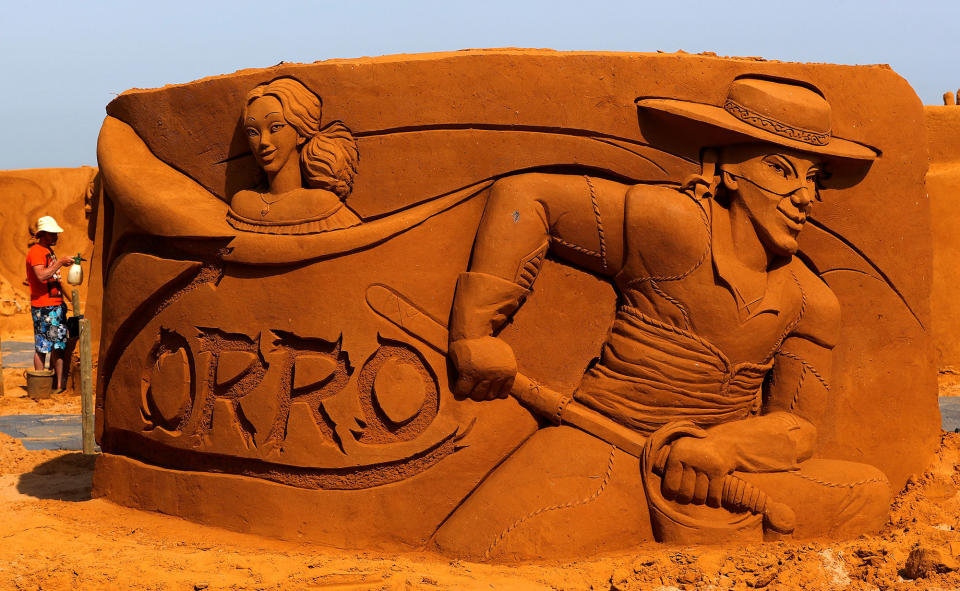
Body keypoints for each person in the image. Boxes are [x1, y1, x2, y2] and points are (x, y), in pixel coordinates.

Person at [435, 76, 891, 557]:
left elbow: (799, 427)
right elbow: (527, 197)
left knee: (867, 490)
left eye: (814, 178)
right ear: (727, 170)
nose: (804, 196)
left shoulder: (811, 300)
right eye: (781, 170)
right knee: (485, 545)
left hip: (717, 477)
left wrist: (723, 447)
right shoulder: (673, 225)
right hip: (603, 447)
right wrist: (476, 331)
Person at [227, 76, 362, 235]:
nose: (263, 142)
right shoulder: (242, 204)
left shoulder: (321, 205)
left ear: (300, 133)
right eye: (252, 132)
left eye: (276, 127)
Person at [26, 216, 73, 393]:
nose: (56, 236)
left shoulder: (47, 251)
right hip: (44, 307)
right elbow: (41, 275)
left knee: (58, 345)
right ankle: (40, 387)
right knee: (42, 346)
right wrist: (60, 262)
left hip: (54, 306)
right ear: (43, 234)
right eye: (52, 234)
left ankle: (58, 386)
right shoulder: (37, 252)